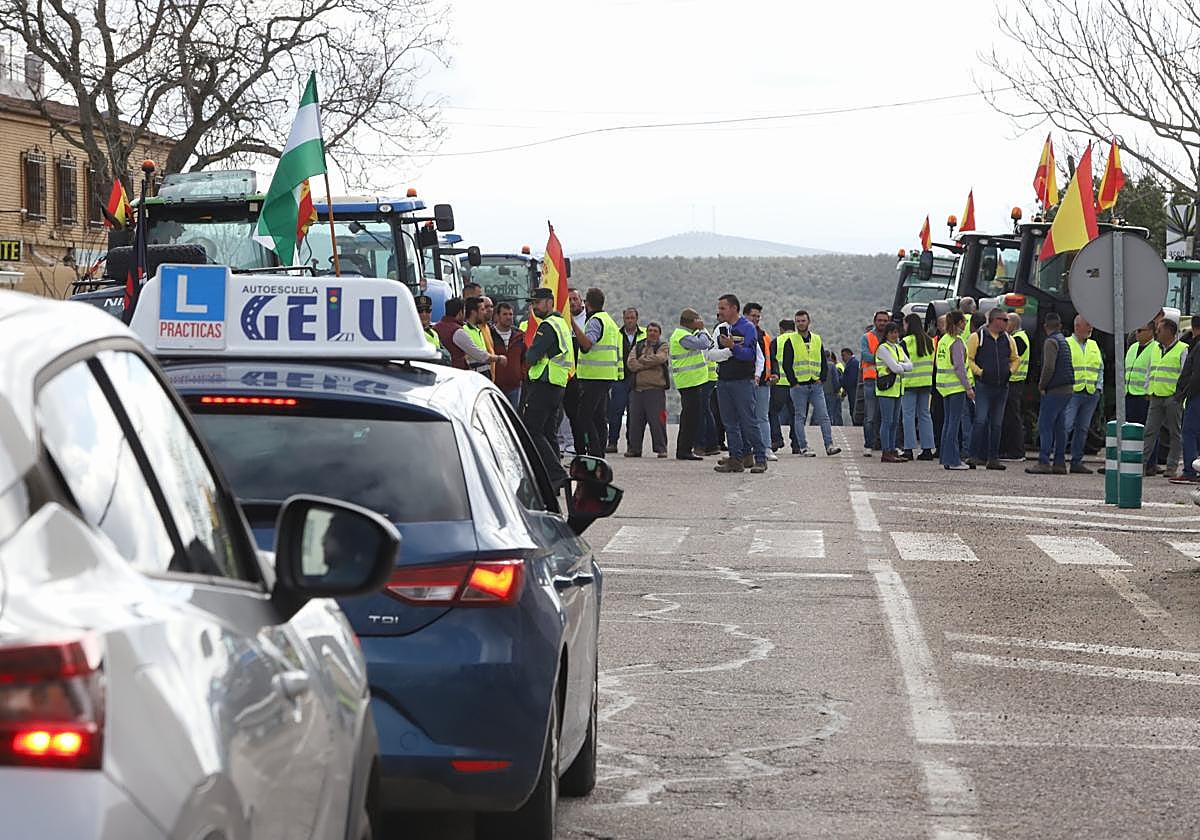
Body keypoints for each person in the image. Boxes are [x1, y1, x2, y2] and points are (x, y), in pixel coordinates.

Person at [522, 288, 575, 482]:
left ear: (550, 302)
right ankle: (552, 477)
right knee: (548, 433)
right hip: (557, 384)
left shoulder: (547, 326)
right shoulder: (562, 323)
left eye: (538, 302)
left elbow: (532, 356)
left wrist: (530, 355)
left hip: (544, 383)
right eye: (533, 303)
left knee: (532, 430)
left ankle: (556, 474)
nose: (534, 307)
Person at [711, 294, 767, 473]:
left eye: (723, 308)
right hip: (724, 381)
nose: (720, 311)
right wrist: (727, 351)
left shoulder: (747, 328)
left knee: (749, 422)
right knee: (730, 423)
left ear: (734, 308)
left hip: (743, 382)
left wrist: (732, 347)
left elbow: (750, 355)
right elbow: (710, 354)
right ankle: (736, 459)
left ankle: (760, 458)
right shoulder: (720, 328)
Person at [781, 310, 842, 456]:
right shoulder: (791, 341)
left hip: (816, 385)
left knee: (824, 415)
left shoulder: (817, 339)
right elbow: (787, 364)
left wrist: (822, 378)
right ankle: (803, 447)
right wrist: (793, 382)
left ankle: (829, 445)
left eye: (803, 320)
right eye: (798, 321)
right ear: (795, 323)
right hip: (798, 386)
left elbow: (822, 360)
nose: (801, 323)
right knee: (800, 416)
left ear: (808, 322)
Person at [967, 308, 1019, 470]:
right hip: (984, 385)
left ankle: (993, 458)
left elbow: (1015, 358)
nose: (1006, 323)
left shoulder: (1008, 339)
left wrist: (1009, 371)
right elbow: (969, 358)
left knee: (997, 424)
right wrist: (980, 373)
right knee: (980, 420)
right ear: (994, 320)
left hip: (1002, 386)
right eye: (1004, 320)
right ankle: (974, 456)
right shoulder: (978, 337)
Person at [572, 287, 622, 457]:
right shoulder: (608, 320)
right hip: (606, 375)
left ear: (587, 303)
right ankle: (599, 453)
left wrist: (572, 324)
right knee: (599, 418)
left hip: (594, 376)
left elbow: (587, 344)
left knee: (584, 417)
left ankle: (594, 453)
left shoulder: (594, 321)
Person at [1025, 312, 1074, 475]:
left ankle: (1044, 461)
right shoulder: (1064, 341)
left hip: (1055, 389)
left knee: (1045, 425)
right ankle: (1059, 463)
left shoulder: (1051, 342)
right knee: (1060, 427)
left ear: (1045, 327)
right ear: (1059, 325)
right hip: (1067, 389)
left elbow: (1049, 367)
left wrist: (1042, 385)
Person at [1143, 317, 1186, 478]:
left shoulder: (1182, 349)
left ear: (1169, 332)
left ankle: (1172, 466)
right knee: (1149, 431)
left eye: (1159, 330)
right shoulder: (1155, 348)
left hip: (1172, 397)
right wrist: (1147, 390)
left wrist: (1179, 396)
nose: (1157, 333)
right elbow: (1150, 371)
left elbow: (1184, 374)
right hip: (1156, 396)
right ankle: (1141, 464)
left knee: (1175, 433)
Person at [1062, 315, 1103, 474]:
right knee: (1066, 426)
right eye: (1088, 325)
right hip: (1073, 392)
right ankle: (1059, 459)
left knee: (1082, 429)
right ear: (1077, 326)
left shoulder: (1093, 345)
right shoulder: (1067, 344)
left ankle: (1076, 461)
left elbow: (1100, 368)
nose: (1091, 328)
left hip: (1090, 392)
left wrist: (1098, 388)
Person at [670, 308, 713, 460]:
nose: (700, 322)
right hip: (688, 381)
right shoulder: (682, 336)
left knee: (693, 417)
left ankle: (686, 449)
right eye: (697, 320)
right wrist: (702, 329)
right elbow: (703, 344)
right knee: (689, 418)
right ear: (691, 322)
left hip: (693, 380)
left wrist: (701, 330)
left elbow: (708, 342)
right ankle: (684, 450)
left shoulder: (688, 334)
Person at [625, 321, 670, 458]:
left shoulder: (662, 346)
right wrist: (649, 363)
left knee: (658, 422)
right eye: (650, 330)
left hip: (655, 391)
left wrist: (642, 360)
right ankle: (634, 449)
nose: (652, 333)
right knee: (634, 422)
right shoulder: (638, 346)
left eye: (655, 331)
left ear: (659, 333)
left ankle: (661, 449)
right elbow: (631, 364)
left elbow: (661, 358)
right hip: (637, 391)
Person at [936, 311, 973, 470]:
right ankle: (953, 460)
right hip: (956, 387)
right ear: (958, 323)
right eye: (964, 322)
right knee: (954, 424)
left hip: (944, 386)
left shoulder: (944, 340)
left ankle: (946, 457)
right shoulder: (956, 342)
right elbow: (959, 367)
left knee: (948, 423)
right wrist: (968, 388)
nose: (965, 324)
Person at [607, 308, 646, 454]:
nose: (629, 320)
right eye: (627, 318)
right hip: (620, 379)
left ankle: (632, 445)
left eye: (632, 318)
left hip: (637, 379)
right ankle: (612, 442)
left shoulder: (645, 334)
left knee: (634, 414)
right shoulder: (616, 334)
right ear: (623, 319)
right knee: (615, 412)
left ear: (637, 319)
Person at [742, 302, 778, 461]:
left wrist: (775, 373)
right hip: (744, 381)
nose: (756, 319)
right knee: (745, 417)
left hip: (763, 383)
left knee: (762, 416)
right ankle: (746, 449)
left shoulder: (764, 336)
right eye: (753, 316)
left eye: (758, 316)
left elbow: (771, 357)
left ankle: (766, 448)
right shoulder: (738, 333)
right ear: (745, 315)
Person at [900, 312, 936, 460]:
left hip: (910, 383)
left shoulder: (906, 342)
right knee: (925, 415)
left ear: (908, 324)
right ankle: (927, 449)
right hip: (926, 382)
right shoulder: (929, 341)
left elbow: (900, 362)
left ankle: (908, 449)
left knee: (908, 416)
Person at [875, 322, 912, 463]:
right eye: (891, 332)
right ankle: (886, 451)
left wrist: (899, 366)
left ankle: (892, 449)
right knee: (887, 421)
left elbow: (910, 365)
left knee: (894, 422)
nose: (894, 335)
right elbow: (895, 368)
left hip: (898, 389)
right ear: (886, 334)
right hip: (886, 389)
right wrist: (900, 366)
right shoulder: (883, 348)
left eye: (896, 332)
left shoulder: (898, 348)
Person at [999, 312, 1030, 461]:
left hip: (1014, 382)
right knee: (1010, 417)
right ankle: (1010, 450)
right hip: (1014, 382)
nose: (1004, 325)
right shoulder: (1019, 337)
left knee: (1012, 418)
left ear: (1014, 324)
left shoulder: (1018, 339)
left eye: (1007, 322)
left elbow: (1006, 357)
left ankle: (1016, 451)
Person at [452, 296, 507, 379]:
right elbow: (480, 355)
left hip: (484, 378)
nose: (485, 312)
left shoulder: (478, 329)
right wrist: (499, 358)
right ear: (474, 312)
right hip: (474, 380)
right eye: (482, 309)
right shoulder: (465, 330)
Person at [1172, 329, 1200, 483]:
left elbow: (1196, 375)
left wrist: (1184, 393)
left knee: (1189, 432)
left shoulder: (1198, 347)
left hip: (1196, 396)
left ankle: (1190, 470)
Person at [859, 311, 890, 455]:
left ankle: (885, 445)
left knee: (886, 415)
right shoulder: (867, 337)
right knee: (870, 416)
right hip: (871, 380)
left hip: (888, 381)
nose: (882, 323)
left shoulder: (891, 337)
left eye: (885, 320)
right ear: (875, 321)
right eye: (879, 320)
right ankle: (868, 444)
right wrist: (885, 358)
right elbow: (865, 355)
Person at [492, 301, 526, 409]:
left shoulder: (519, 335)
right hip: (495, 387)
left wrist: (521, 374)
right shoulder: (489, 334)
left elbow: (525, 358)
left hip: (515, 387)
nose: (509, 317)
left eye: (511, 314)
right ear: (497, 316)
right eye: (505, 314)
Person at [1124, 321, 1156, 428]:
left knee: (1142, 428)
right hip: (1129, 394)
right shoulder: (1133, 347)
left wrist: (1149, 392)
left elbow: (1155, 373)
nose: (1137, 333)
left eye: (1140, 331)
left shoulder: (1156, 348)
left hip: (1144, 397)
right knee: (1129, 428)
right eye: (1136, 330)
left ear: (1151, 332)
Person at [771, 320, 796, 451]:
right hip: (796, 384)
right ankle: (796, 444)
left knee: (773, 412)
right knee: (796, 414)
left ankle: (776, 439)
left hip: (779, 384)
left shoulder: (776, 341)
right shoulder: (799, 341)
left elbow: (771, 360)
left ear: (781, 329)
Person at [415, 294, 450, 364]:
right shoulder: (413, 333)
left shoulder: (433, 332)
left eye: (427, 310)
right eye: (420, 311)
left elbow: (447, 354)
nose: (424, 314)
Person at [433, 297, 466, 367]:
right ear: (460, 312)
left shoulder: (435, 327)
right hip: (458, 370)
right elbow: (474, 352)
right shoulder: (458, 330)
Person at [823, 350, 844, 426]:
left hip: (820, 393)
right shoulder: (832, 366)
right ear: (829, 356)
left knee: (822, 412)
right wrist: (837, 389)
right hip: (831, 393)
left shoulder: (819, 365)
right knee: (831, 412)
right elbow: (835, 380)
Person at [840, 348, 859, 421]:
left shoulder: (853, 363)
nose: (842, 358)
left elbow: (852, 379)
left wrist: (843, 383)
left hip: (853, 390)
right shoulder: (851, 363)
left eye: (843, 355)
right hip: (851, 390)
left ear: (849, 354)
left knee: (854, 408)